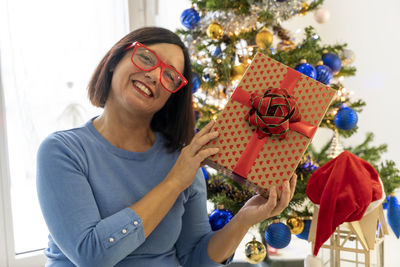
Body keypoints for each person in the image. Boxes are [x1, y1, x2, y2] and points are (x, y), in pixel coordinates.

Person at [36, 27, 297, 267]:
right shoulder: (62, 151)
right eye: (147, 58)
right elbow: (91, 255)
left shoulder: (181, 159)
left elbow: (194, 259)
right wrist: (174, 183)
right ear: (115, 61)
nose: (153, 75)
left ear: (173, 95)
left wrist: (244, 218)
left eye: (170, 75)